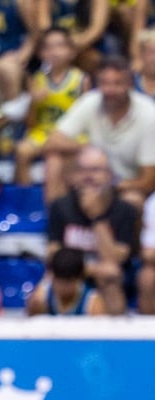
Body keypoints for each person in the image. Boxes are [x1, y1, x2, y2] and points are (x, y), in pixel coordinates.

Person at [43, 55, 155, 206]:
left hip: (126, 184)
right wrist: (88, 148)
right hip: (92, 176)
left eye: (117, 83)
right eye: (104, 83)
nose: (110, 90)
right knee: (54, 161)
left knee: (133, 200)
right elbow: (51, 142)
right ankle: (57, 218)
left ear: (130, 85)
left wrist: (109, 186)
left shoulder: (149, 114)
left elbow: (149, 181)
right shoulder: (91, 100)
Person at [45, 144, 136, 315]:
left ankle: (116, 330)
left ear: (110, 175)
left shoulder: (125, 210)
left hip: (108, 281)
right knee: (43, 292)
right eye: (83, 170)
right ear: (74, 175)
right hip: (69, 274)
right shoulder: (61, 206)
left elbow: (116, 259)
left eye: (96, 170)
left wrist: (96, 217)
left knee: (110, 278)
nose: (89, 176)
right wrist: (84, 269)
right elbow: (53, 251)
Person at [14, 27, 88, 186]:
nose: (54, 52)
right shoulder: (36, 80)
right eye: (48, 47)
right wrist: (33, 102)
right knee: (21, 151)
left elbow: (88, 117)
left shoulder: (81, 79)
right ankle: (26, 196)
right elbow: (30, 124)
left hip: (72, 134)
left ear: (72, 51)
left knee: (70, 151)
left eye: (60, 46)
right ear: (41, 53)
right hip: (43, 132)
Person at [26, 246, 112, 314]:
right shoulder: (41, 295)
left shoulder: (93, 304)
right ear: (52, 277)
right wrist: (35, 310)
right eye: (59, 282)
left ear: (79, 279)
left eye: (67, 283)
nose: (62, 288)